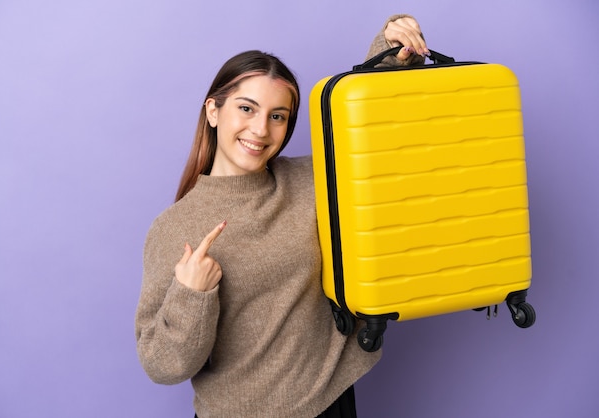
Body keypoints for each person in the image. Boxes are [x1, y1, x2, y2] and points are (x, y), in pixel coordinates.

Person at [135, 14, 428, 418]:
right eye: (246, 108)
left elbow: (365, 133)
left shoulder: (310, 179)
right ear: (213, 111)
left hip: (330, 400)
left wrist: (392, 49)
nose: (260, 129)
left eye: (277, 116)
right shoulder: (174, 228)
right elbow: (162, 365)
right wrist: (191, 295)